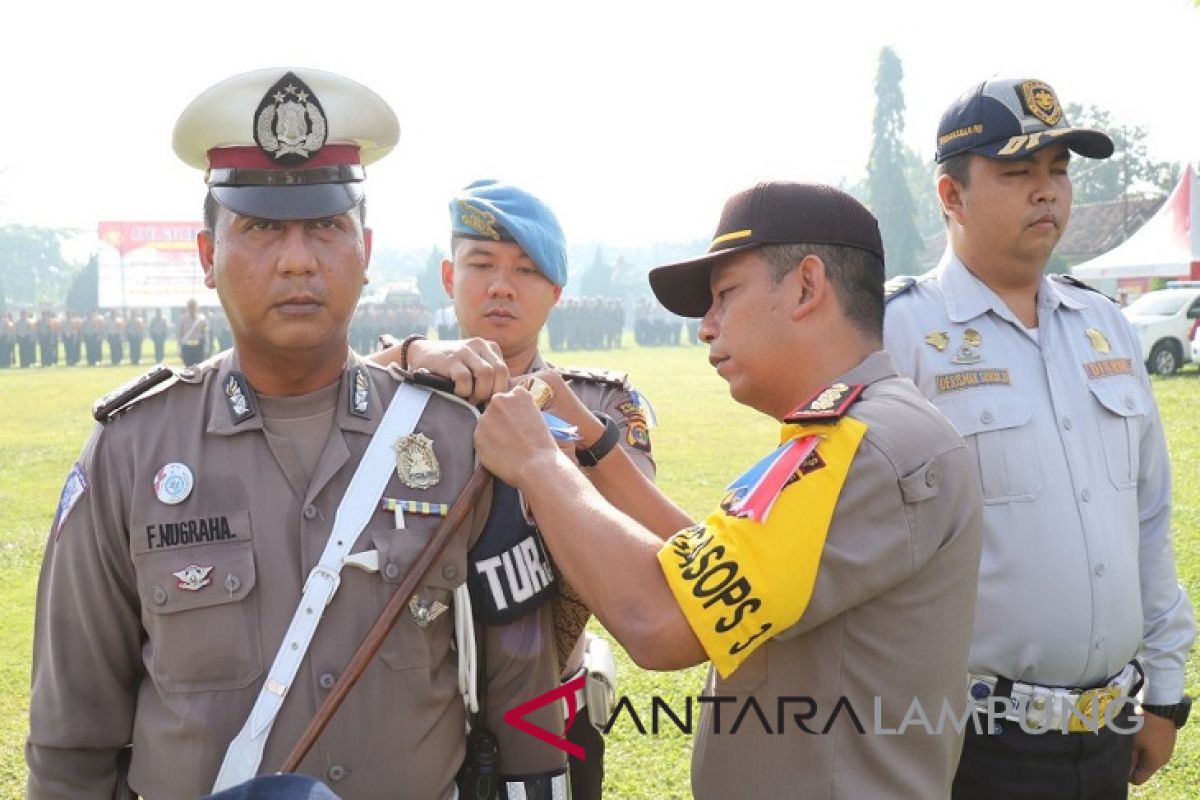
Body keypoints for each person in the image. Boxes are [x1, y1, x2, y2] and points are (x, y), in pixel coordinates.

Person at [27, 66, 565, 799]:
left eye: (326, 226)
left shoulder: (455, 441)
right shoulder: (130, 453)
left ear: (366, 252)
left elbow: (526, 695)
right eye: (259, 228)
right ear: (208, 256)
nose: (298, 258)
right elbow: (71, 742)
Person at [469, 182, 983, 798]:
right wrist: (597, 446)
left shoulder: (862, 448)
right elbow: (708, 572)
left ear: (805, 287)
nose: (705, 328)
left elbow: (660, 621)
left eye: (725, 296)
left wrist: (537, 464)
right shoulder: (856, 432)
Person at [883, 77, 1196, 800]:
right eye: (1019, 172)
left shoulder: (1106, 326)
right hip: (968, 741)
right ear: (951, 196)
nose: (1047, 192)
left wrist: (1167, 688)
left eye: (1059, 171)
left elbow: (1148, 518)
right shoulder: (901, 332)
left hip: (1109, 731)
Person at [384, 179, 656, 800]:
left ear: (556, 294)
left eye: (527, 271)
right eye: (482, 264)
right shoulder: (393, 389)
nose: (502, 286)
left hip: (551, 707)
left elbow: (637, 533)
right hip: (407, 707)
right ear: (450, 277)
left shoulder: (597, 402)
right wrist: (410, 353)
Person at [178, 297, 208, 366]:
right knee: (188, 368)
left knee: (198, 368)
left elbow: (205, 335)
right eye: (190, 307)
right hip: (187, 347)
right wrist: (179, 349)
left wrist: (206, 348)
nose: (192, 309)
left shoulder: (201, 319)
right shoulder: (183, 319)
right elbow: (180, 334)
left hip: (198, 348)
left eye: (193, 307)